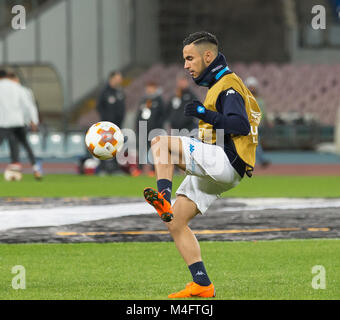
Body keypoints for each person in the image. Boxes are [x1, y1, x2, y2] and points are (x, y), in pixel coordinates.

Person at [142, 31, 261, 298]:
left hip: (227, 161)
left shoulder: (228, 86)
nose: (185, 65)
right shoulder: (220, 83)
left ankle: (162, 196)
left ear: (208, 56)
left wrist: (202, 113)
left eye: (189, 58)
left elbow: (240, 125)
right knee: (175, 222)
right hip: (225, 166)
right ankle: (202, 284)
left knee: (159, 142)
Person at [0, 70, 42, 180]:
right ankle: (36, 170)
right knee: (26, 146)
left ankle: (16, 165)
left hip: (4, 123)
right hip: (19, 122)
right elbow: (28, 105)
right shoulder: (19, 88)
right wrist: (33, 121)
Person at [96, 71, 126, 175]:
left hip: (117, 126)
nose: (120, 80)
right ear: (112, 78)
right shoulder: (104, 92)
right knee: (104, 146)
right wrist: (105, 121)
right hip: (106, 127)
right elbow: (99, 107)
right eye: (118, 78)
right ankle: (103, 168)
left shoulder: (120, 92)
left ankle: (115, 168)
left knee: (116, 146)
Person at [135, 81, 165, 176]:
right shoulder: (143, 100)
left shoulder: (159, 100)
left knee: (154, 150)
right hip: (143, 129)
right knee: (142, 149)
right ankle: (140, 169)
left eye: (151, 87)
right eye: (148, 87)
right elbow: (138, 115)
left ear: (155, 88)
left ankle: (153, 169)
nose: (149, 90)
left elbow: (163, 115)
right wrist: (137, 126)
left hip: (154, 130)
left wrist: (158, 127)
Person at [245, 76, 271, 168]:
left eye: (253, 87)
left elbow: (263, 111)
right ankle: (261, 160)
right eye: (250, 87)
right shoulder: (245, 99)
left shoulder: (259, 99)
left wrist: (267, 121)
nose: (252, 89)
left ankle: (252, 161)